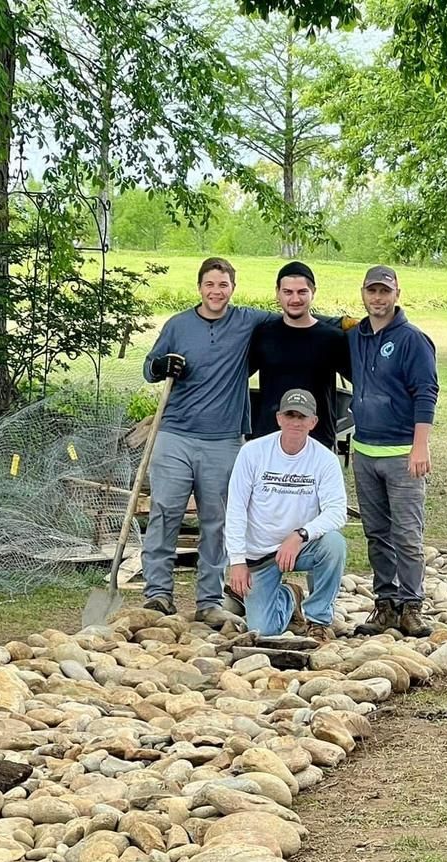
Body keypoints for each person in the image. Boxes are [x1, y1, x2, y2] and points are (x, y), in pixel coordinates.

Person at [141, 257, 274, 625]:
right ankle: (157, 595)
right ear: (200, 287)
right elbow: (149, 366)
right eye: (210, 285)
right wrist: (161, 365)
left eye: (223, 285)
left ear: (233, 288)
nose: (216, 291)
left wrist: (342, 327)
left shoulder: (248, 321)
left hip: (224, 440)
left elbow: (294, 317)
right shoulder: (178, 325)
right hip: (175, 435)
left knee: (217, 522)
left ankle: (209, 601)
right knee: (165, 513)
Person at [348, 265, 439, 638]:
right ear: (364, 294)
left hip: (403, 453)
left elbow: (426, 393)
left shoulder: (412, 340)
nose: (378, 298)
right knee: (376, 533)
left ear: (396, 293)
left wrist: (421, 446)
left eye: (385, 291)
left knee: (407, 534)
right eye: (372, 291)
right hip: (365, 451)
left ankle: (411, 604)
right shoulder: (356, 336)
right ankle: (385, 605)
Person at [224, 388, 347, 645]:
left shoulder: (325, 460)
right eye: (290, 415)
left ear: (313, 422)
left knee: (334, 544)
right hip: (260, 554)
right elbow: (235, 508)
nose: (295, 422)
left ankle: (319, 620)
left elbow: (337, 512)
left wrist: (300, 535)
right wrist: (237, 561)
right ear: (279, 418)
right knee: (263, 631)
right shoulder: (252, 453)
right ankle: (290, 596)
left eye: (302, 417)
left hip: (301, 547)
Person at [248, 261, 352, 451]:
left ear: (313, 292)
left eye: (302, 292)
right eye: (288, 292)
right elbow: (235, 376)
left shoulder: (332, 338)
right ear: (277, 293)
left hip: (317, 440)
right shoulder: (263, 334)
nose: (295, 299)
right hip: (269, 438)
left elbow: (364, 381)